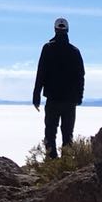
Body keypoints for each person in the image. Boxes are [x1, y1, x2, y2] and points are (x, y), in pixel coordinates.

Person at [32, 17, 84, 157]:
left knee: (50, 131)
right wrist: (79, 96)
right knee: (67, 133)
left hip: (53, 99)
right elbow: (80, 76)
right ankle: (66, 162)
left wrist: (36, 95)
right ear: (67, 30)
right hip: (69, 100)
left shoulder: (48, 48)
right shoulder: (74, 51)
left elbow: (41, 73)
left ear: (55, 29)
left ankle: (51, 161)